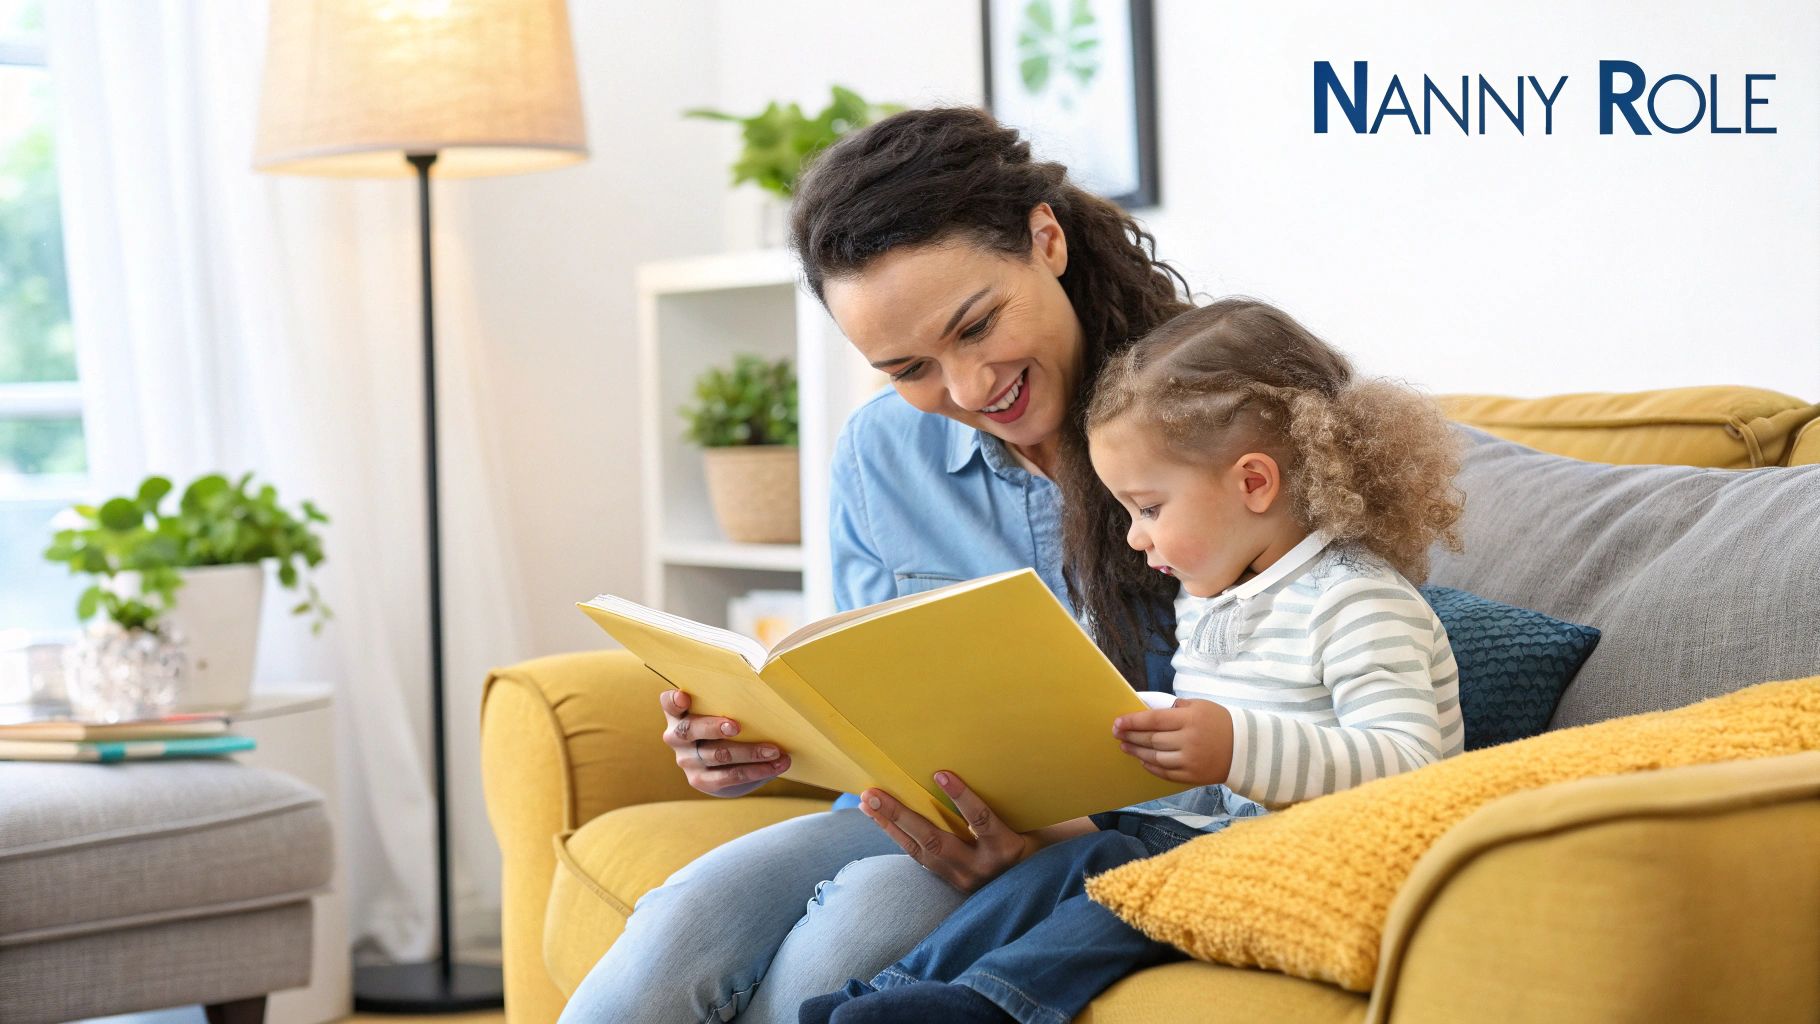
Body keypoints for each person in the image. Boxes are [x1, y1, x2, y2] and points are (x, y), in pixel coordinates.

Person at [556, 106, 1193, 1023]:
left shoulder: (1201, 423)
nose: (969, 391)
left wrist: (1051, 838)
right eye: (908, 367)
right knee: (679, 921)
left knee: (850, 935)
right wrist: (751, 742)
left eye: (976, 326)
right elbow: (869, 715)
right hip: (913, 816)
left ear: (1044, 240)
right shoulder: (881, 456)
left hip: (1108, 842)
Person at [800, 298, 1468, 1024]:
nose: (1133, 540)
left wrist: (1232, 747)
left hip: (1329, 872)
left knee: (1128, 879)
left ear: (1253, 483)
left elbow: (1410, 769)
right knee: (1069, 862)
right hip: (1234, 851)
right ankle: (885, 1000)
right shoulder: (1217, 598)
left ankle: (986, 1009)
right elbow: (1216, 804)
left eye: (1148, 508)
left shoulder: (1358, 603)